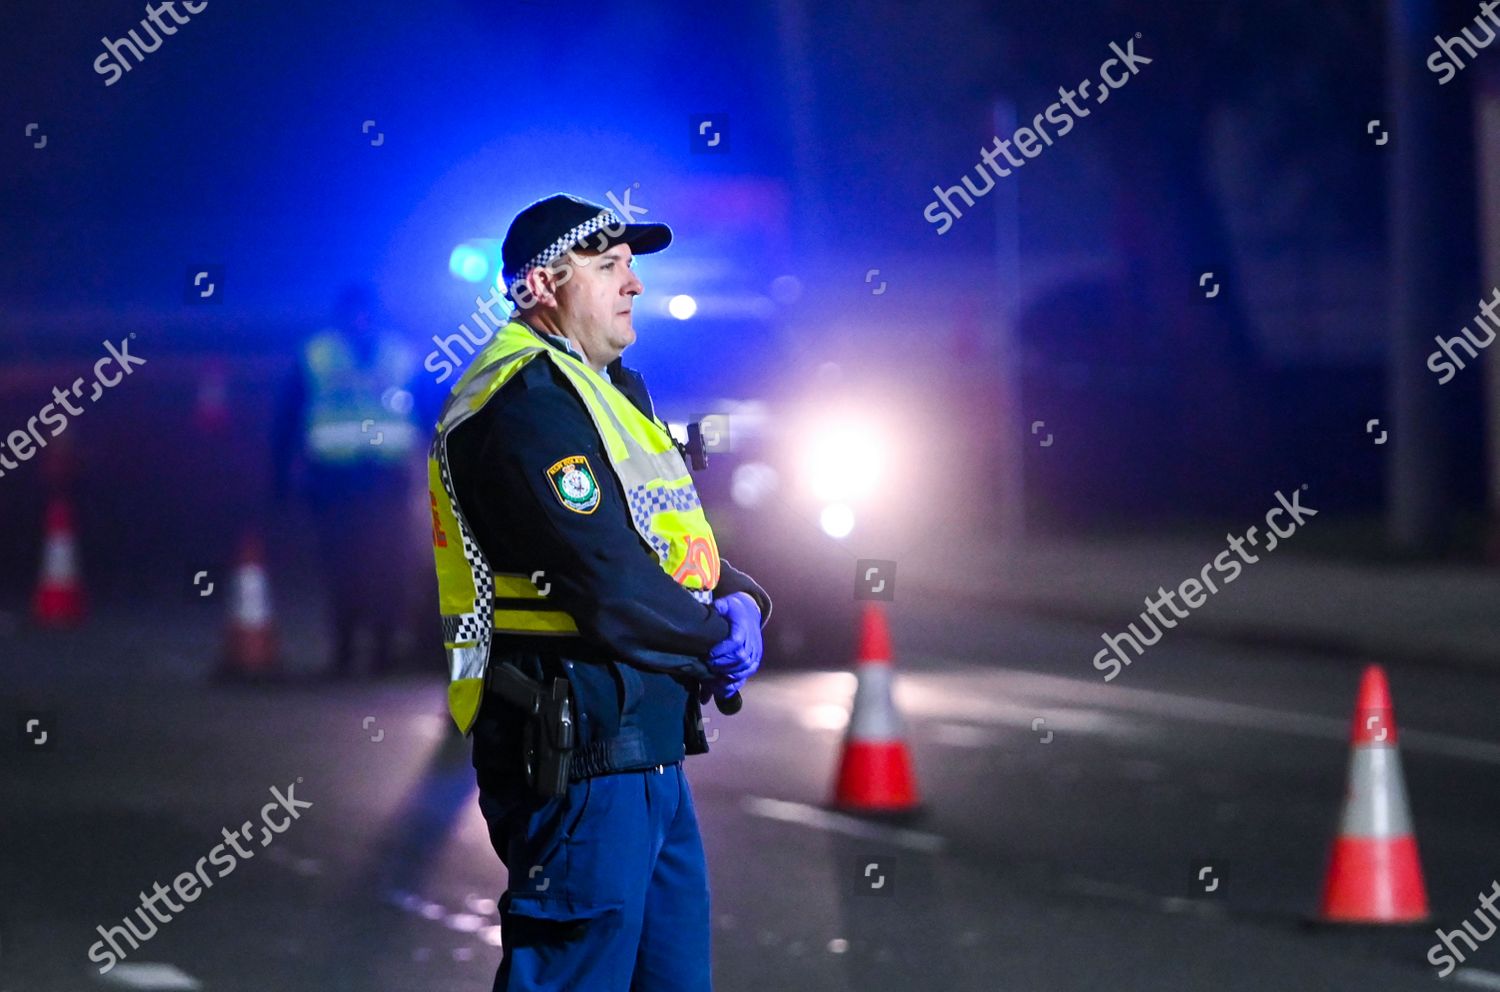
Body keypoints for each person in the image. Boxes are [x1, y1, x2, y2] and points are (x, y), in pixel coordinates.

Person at [427, 193, 772, 991]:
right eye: (609, 266)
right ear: (540, 287)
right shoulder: (521, 406)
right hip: (577, 747)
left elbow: (668, 537)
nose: (633, 284)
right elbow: (608, 577)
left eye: (633, 266)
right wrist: (711, 635)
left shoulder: (607, 393)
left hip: (644, 743)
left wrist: (743, 597)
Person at [272, 283, 425, 678]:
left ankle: (384, 650)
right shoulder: (316, 355)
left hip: (386, 480)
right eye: (354, 314)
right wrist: (279, 480)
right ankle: (345, 650)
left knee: (388, 567)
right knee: (342, 568)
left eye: (366, 314)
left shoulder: (401, 355)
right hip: (334, 481)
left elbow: (429, 415)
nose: (361, 322)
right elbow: (286, 421)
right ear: (341, 317)